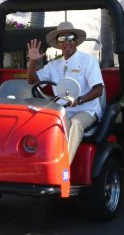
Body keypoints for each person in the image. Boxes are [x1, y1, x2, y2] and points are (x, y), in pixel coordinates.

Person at [27, 21, 104, 164]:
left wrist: (79, 100)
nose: (66, 41)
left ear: (76, 41)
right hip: (62, 111)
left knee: (75, 123)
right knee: (41, 122)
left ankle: (63, 167)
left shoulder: (88, 60)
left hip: (86, 110)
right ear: (58, 42)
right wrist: (32, 61)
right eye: (62, 38)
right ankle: (39, 164)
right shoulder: (54, 65)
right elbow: (33, 81)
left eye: (70, 37)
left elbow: (99, 89)